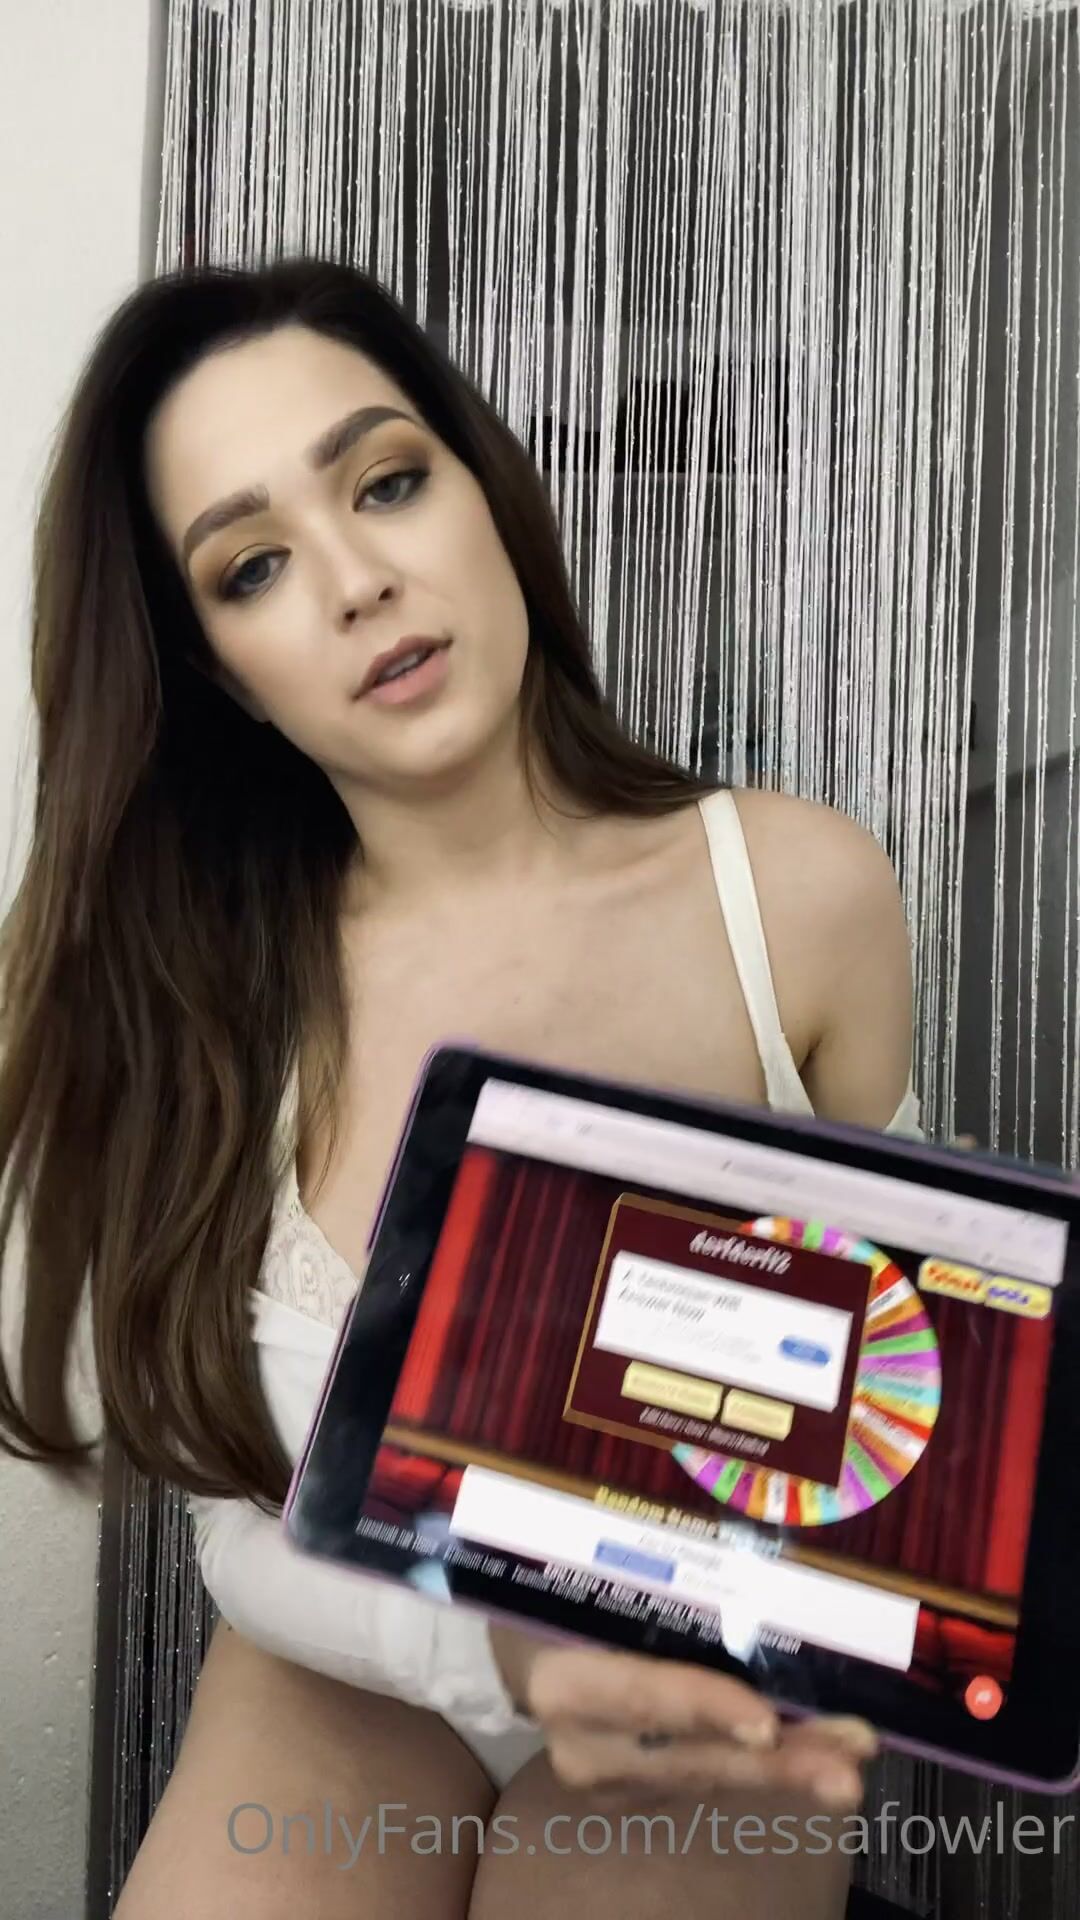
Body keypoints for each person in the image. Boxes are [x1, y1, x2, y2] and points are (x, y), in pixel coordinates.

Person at [0, 257, 924, 1919]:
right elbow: (239, 1521)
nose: (358, 581)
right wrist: (496, 1650)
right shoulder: (206, 997)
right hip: (349, 1660)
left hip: (710, 1677)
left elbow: (913, 1409)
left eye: (386, 482)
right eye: (255, 564)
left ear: (487, 492)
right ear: (219, 671)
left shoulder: (795, 896)